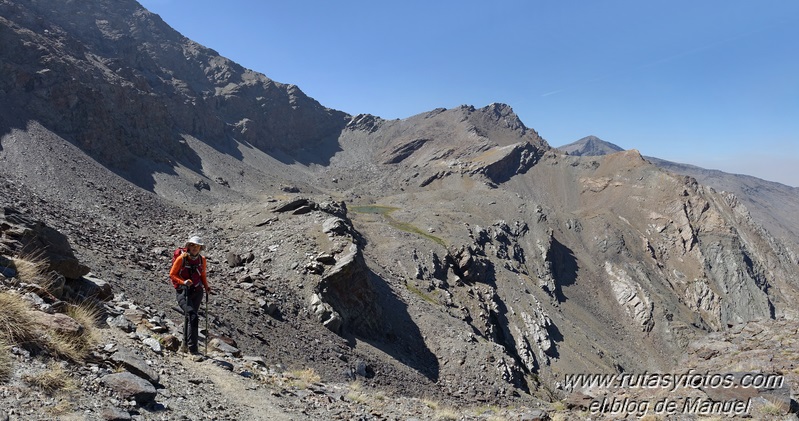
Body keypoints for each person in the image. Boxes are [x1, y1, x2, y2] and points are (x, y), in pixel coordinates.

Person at [170, 235, 211, 355]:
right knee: (192, 316)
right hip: (183, 291)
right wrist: (183, 282)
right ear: (188, 246)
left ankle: (185, 346)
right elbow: (172, 274)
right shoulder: (181, 259)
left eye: (197, 246)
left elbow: (202, 275)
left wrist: (206, 286)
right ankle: (193, 350)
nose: (195, 248)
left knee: (191, 317)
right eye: (192, 245)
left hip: (197, 291)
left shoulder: (202, 260)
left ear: (200, 248)